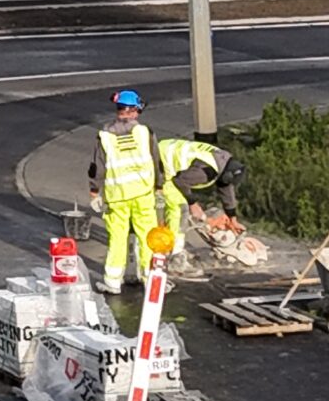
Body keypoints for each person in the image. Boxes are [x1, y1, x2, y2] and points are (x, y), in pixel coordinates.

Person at [87, 89, 161, 293]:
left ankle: (112, 281)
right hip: (143, 194)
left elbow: (97, 166)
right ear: (135, 111)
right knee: (148, 236)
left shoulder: (104, 135)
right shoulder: (145, 132)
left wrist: (94, 191)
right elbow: (156, 161)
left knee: (117, 238)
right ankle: (151, 280)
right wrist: (160, 187)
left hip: (116, 196)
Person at [158, 136, 247, 237]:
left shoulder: (223, 161)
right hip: (160, 160)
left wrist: (232, 219)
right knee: (179, 208)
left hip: (165, 148)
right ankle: (172, 246)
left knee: (178, 203)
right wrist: (193, 204)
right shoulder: (207, 171)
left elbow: (226, 189)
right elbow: (180, 181)